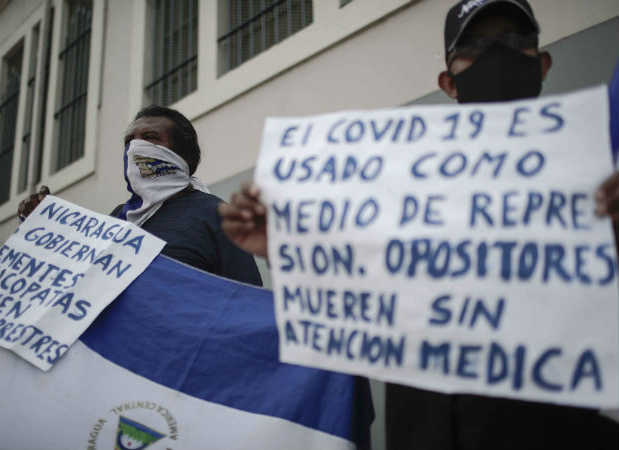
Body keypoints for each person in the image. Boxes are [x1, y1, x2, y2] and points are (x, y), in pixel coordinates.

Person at [218, 0, 619, 448]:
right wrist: (286, 246)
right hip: (423, 428)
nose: (496, 53)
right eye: (475, 45)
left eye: (514, 40)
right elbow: (362, 295)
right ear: (449, 81)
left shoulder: (596, 175)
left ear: (541, 62)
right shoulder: (400, 189)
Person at [19, 105, 262, 287]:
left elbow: (246, 300)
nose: (133, 149)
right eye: (128, 141)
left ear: (182, 156)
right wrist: (44, 227)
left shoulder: (216, 215)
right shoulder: (116, 219)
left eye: (150, 138)